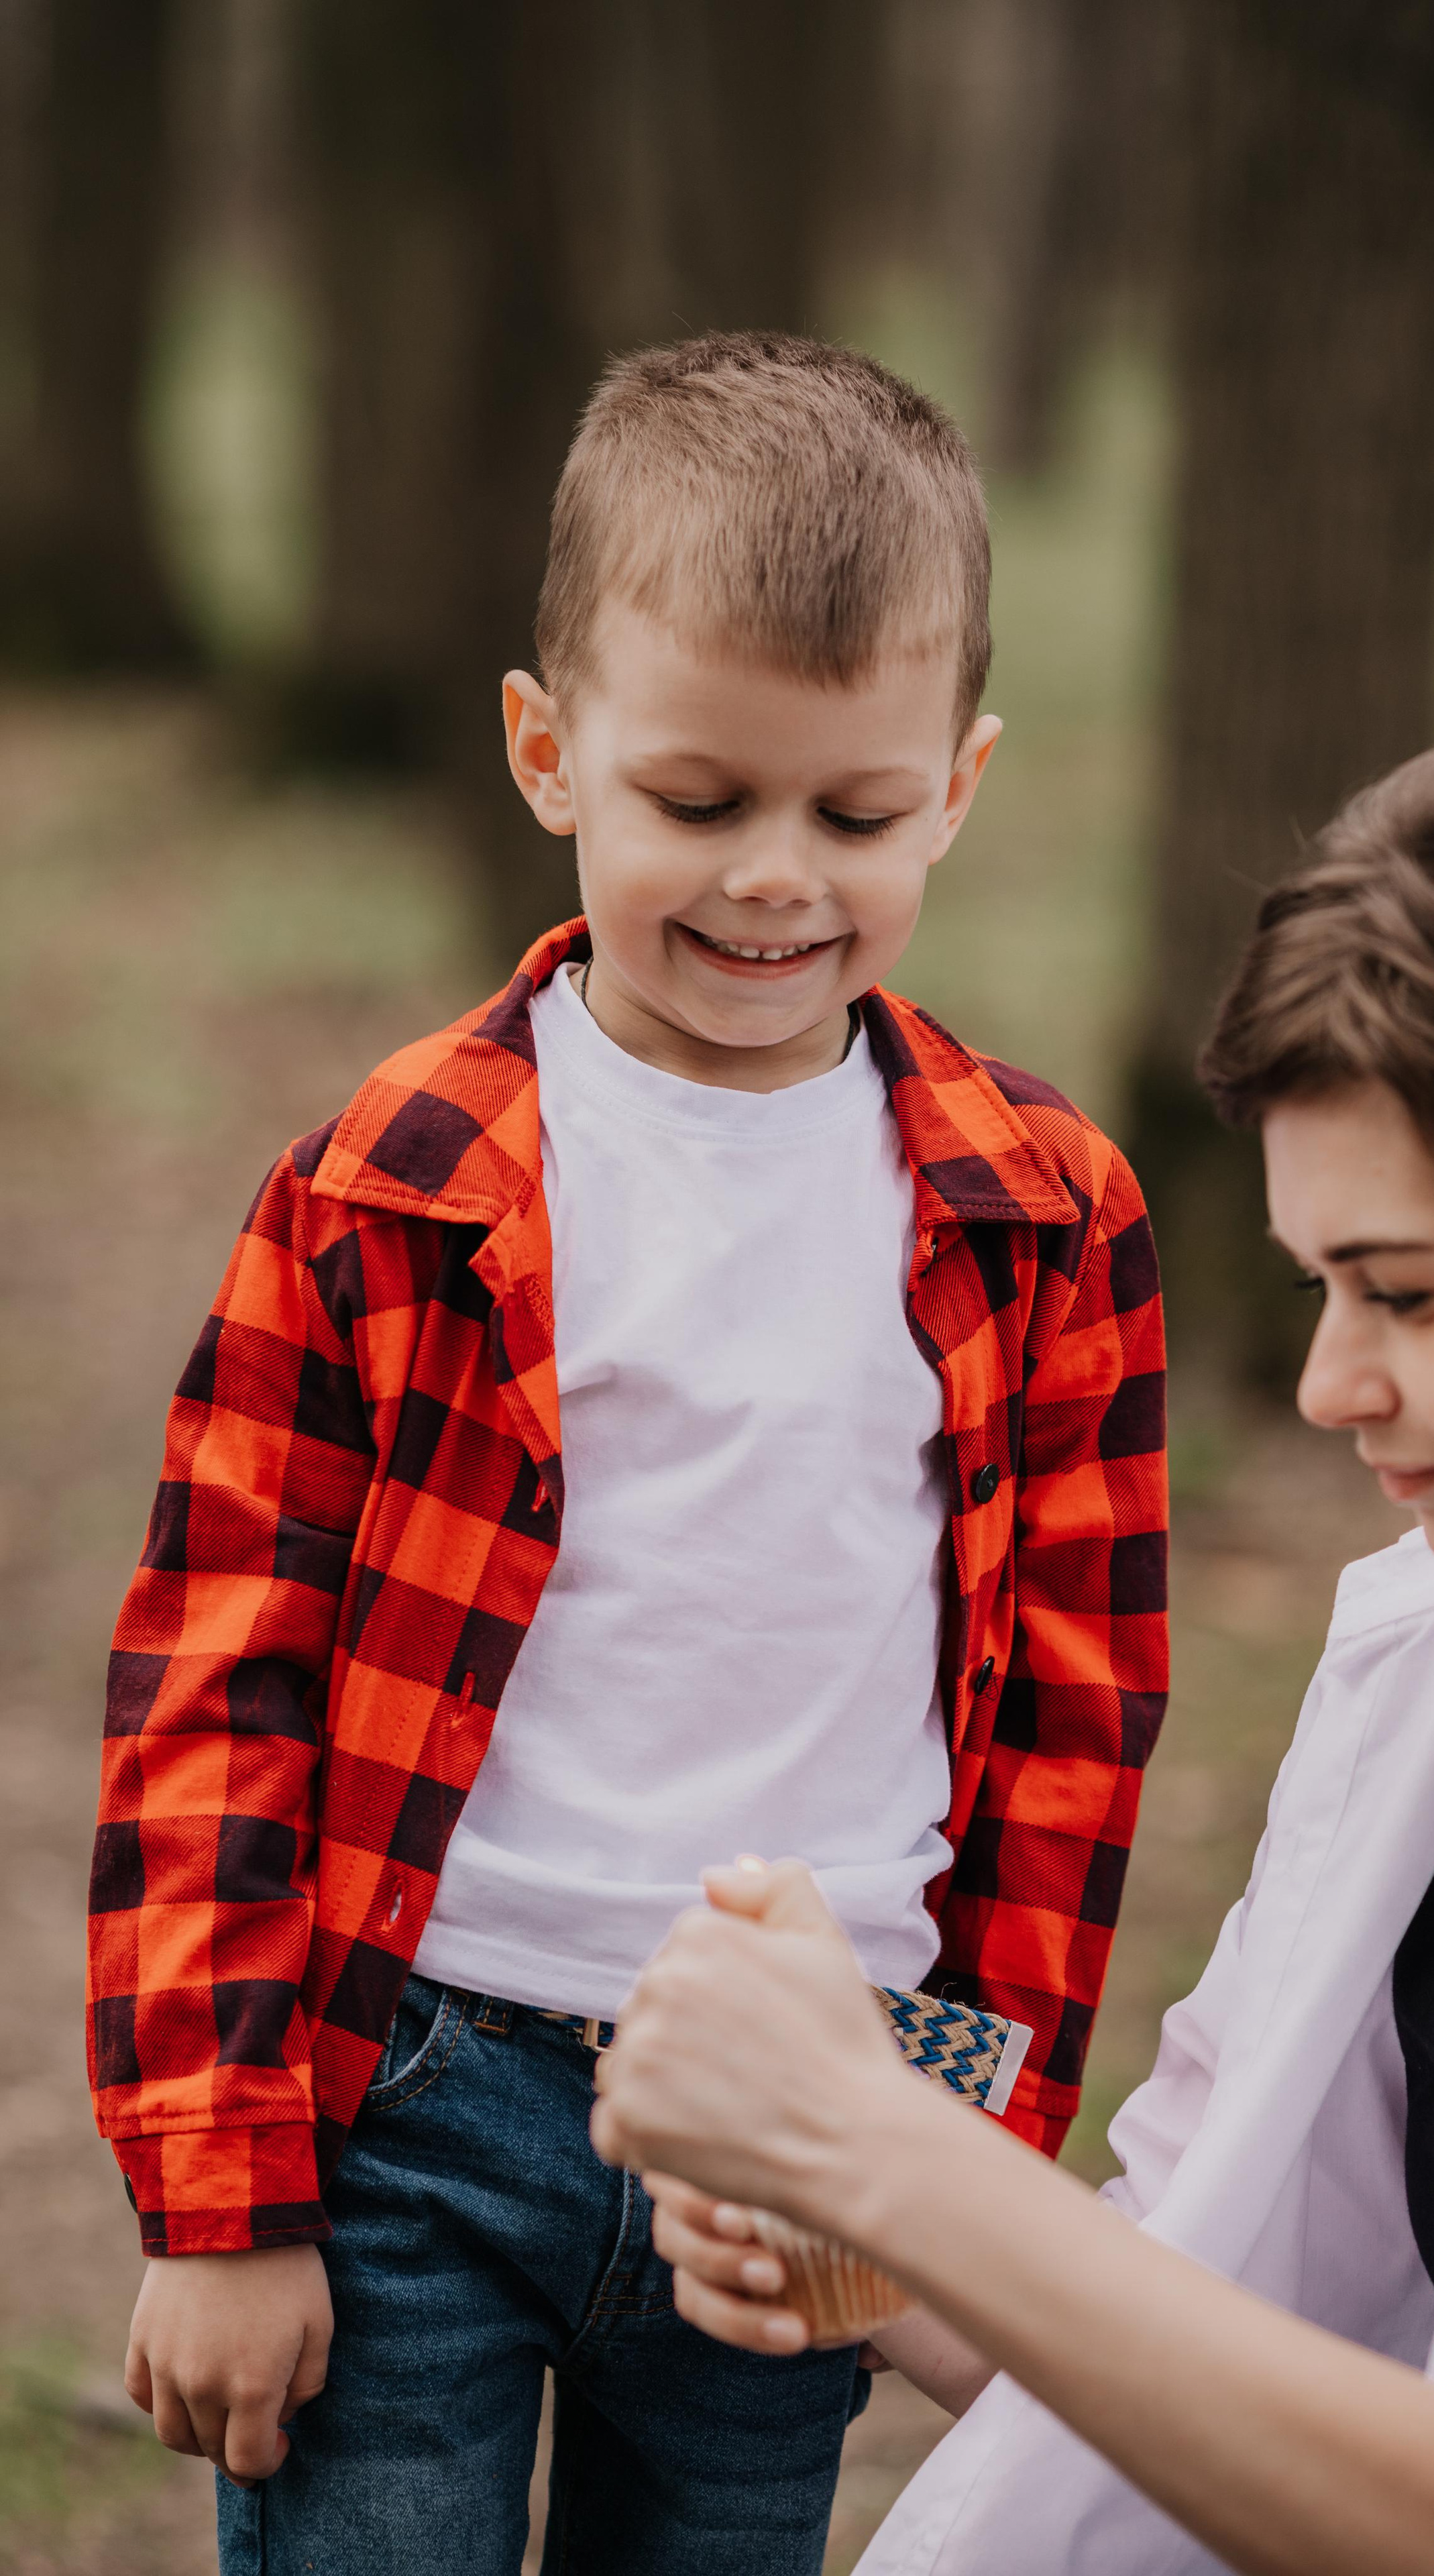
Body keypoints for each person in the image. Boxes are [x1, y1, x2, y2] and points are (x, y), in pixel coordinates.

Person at [90, 332, 1168, 2576]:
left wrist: (962, 2168)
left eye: (855, 817)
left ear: (959, 787)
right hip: (413, 2099)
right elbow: (216, 1684)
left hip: (806, 2115)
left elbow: (1074, 1734)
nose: (776, 878)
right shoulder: (393, 1183)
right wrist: (221, 2199)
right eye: (698, 801)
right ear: (547, 750)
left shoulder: (1044, 1217)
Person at [594, 722, 1434, 2576]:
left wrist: (896, 2156)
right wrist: (856, 2220)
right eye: (1320, 1287)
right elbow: (1193, 2297)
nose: (1331, 1386)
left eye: (1409, 1294)